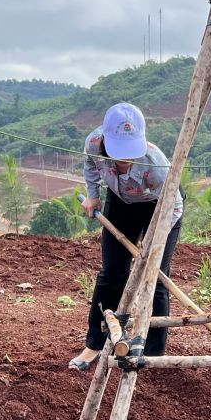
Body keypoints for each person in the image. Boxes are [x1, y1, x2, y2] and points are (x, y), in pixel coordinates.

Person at [68, 103, 183, 371]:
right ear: (106, 139)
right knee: (112, 274)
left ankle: (154, 352)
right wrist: (93, 194)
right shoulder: (94, 143)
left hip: (160, 208)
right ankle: (95, 344)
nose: (125, 159)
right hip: (120, 203)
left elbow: (175, 205)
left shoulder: (156, 166)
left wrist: (155, 241)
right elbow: (90, 166)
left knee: (154, 277)